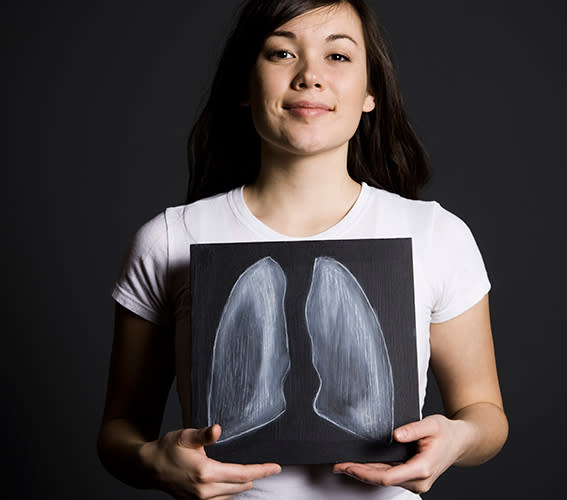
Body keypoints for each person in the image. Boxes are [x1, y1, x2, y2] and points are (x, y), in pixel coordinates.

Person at [97, 0, 509, 498]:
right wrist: (151, 460)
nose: (310, 76)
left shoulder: (436, 234)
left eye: (337, 57)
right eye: (281, 53)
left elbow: (485, 415)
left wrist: (457, 439)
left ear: (370, 91)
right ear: (244, 86)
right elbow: (118, 430)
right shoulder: (170, 239)